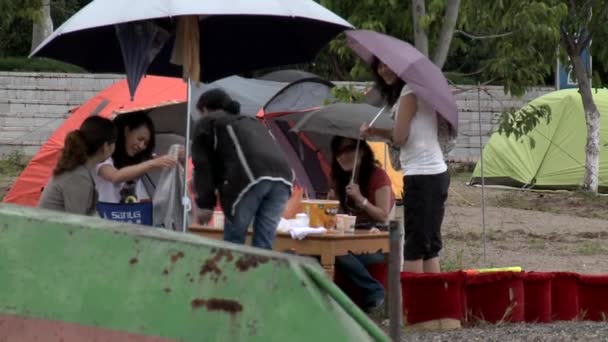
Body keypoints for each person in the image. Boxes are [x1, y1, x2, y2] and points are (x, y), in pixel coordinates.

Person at [361, 57, 450, 274]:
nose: (384, 70)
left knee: (415, 246)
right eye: (379, 66)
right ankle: (434, 301)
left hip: (422, 175)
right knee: (429, 245)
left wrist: (381, 132)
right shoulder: (415, 91)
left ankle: (411, 304)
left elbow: (400, 137)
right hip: (435, 173)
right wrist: (374, 132)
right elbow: (405, 133)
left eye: (388, 64)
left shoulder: (408, 92)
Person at [192, 88, 293, 250]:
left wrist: (205, 204)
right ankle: (259, 274)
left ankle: (232, 274)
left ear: (204, 109)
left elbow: (203, 165)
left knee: (234, 243)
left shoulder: (208, 122)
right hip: (284, 178)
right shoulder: (250, 121)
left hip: (249, 177)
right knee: (263, 245)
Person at [330, 136, 395, 313]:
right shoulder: (340, 180)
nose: (343, 156)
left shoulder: (378, 176)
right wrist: (331, 206)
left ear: (363, 151)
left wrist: (361, 200)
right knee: (317, 252)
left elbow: (383, 217)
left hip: (377, 243)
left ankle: (375, 291)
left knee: (337, 254)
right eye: (338, 153)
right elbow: (339, 218)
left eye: (348, 149)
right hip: (349, 241)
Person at [93, 111, 177, 204]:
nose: (142, 146)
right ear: (127, 131)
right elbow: (115, 176)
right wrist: (151, 164)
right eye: (140, 139)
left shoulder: (135, 161)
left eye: (146, 143)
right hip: (102, 215)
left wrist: (174, 157)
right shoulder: (102, 158)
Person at [39, 116, 117, 215]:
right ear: (106, 147)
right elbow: (78, 224)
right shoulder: (78, 177)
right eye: (114, 143)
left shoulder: (77, 170)